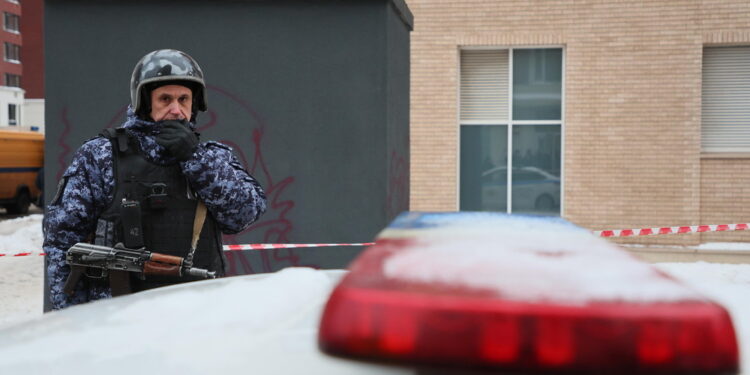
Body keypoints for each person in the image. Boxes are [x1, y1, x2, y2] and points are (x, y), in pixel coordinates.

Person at [43, 49, 267, 310]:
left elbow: (242, 215)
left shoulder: (212, 158)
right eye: (165, 99)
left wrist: (194, 159)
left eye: (184, 99)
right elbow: (62, 240)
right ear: (145, 103)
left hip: (199, 313)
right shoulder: (102, 155)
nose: (176, 110)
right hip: (118, 316)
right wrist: (70, 319)